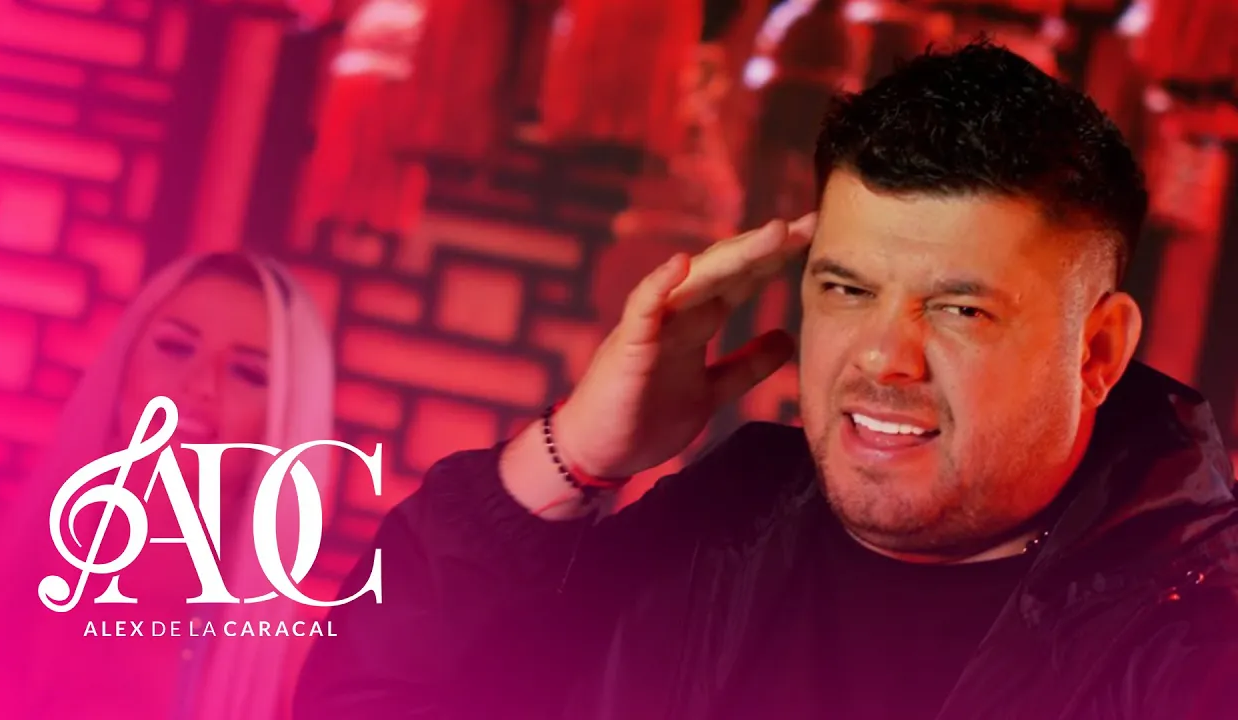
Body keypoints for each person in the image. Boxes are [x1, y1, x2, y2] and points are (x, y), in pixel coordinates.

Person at [293, 42, 1238, 719]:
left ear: (1098, 351)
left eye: (960, 309)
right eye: (847, 289)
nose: (882, 358)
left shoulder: (1193, 644)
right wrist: (577, 452)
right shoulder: (730, 521)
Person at [0, 253, 336, 720]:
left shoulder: (293, 662)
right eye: (176, 347)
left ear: (286, 422)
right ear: (123, 367)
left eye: (248, 373)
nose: (201, 385)